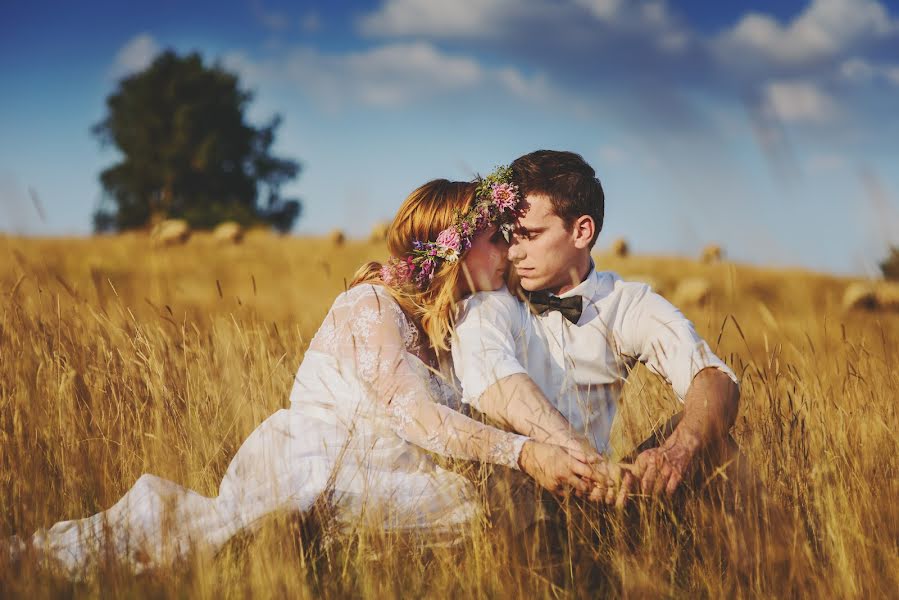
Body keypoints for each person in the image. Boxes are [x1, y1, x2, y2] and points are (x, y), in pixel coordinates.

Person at [6, 171, 603, 579]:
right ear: (453, 247)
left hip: (383, 479)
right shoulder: (371, 307)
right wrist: (524, 455)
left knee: (489, 510)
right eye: (495, 238)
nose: (509, 252)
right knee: (189, 545)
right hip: (315, 467)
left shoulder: (453, 332)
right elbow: (415, 415)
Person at [451, 150, 741, 508]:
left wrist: (678, 451)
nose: (513, 253)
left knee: (718, 447)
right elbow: (494, 378)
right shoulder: (491, 296)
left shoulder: (626, 302)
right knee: (515, 487)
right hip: (514, 483)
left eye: (530, 235)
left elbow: (713, 378)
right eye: (511, 236)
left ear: (581, 231)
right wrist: (582, 459)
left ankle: (769, 563)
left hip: (596, 494)